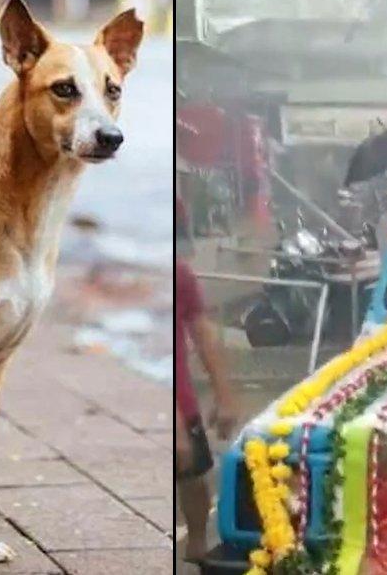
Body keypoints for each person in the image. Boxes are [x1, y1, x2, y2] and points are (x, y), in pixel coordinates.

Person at [175, 200, 239, 563]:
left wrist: (225, 396)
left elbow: (203, 335)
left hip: (183, 405)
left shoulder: (181, 275)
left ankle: (197, 542)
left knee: (195, 476)